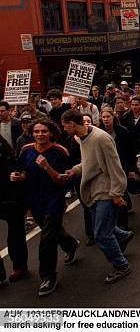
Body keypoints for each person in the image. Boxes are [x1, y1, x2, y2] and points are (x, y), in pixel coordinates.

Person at [62, 110, 134, 285]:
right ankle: (123, 236)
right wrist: (76, 170)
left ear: (73, 123)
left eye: (65, 125)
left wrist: (116, 194)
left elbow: (115, 166)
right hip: (92, 191)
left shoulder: (101, 138)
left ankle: (121, 265)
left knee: (101, 234)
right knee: (102, 226)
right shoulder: (82, 139)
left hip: (105, 191)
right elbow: (89, 161)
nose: (63, 129)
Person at [14, 120, 79, 296]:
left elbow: (64, 179)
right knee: (52, 231)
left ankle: (48, 277)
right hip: (34, 199)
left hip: (54, 199)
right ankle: (70, 244)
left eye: (44, 131)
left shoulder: (59, 151)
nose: (40, 134)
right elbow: (23, 172)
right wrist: (17, 177)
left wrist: (47, 167)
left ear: (51, 133)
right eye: (36, 132)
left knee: (47, 239)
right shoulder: (26, 150)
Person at [100, 107, 136, 231]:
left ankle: (123, 223)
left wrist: (132, 168)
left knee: (121, 193)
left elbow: (130, 151)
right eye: (103, 117)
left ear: (113, 117)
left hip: (122, 167)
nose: (106, 119)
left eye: (108, 117)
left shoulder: (122, 131)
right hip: (106, 169)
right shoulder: (99, 133)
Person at [0, 135, 28, 286]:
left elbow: (20, 172)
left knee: (15, 236)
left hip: (11, 199)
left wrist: (18, 176)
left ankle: (20, 266)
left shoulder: (8, 155)